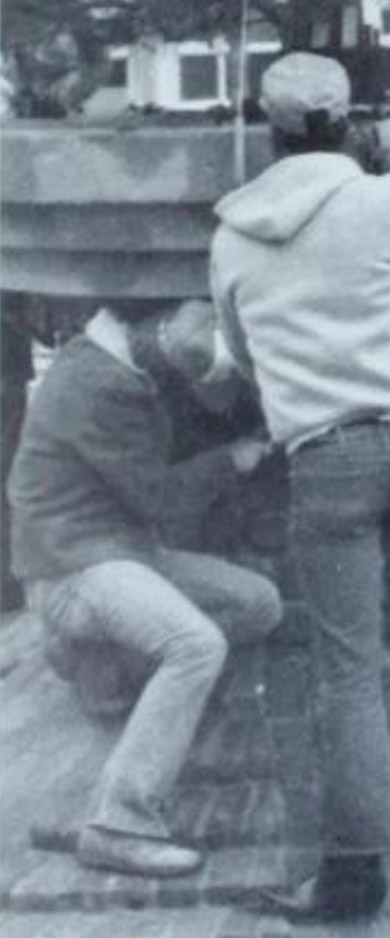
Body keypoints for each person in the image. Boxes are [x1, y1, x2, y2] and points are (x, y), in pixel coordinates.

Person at [210, 51, 390, 925]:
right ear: (343, 123)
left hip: (326, 456)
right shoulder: (375, 201)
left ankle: (356, 874)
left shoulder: (233, 233)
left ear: (272, 126)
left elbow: (241, 351)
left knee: (347, 670)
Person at [8, 297, 283, 879]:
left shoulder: (111, 360)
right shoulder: (101, 387)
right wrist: (231, 460)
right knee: (196, 645)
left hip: (117, 550)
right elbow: (158, 499)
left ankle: (104, 670)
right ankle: (120, 823)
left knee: (257, 603)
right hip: (71, 567)